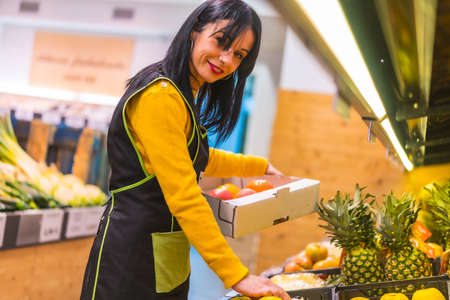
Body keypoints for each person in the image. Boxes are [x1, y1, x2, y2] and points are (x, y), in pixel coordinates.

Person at [80, 1, 290, 299]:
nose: (227, 59)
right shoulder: (159, 97)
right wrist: (237, 276)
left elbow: (196, 158)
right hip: (131, 259)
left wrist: (257, 166)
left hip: (164, 253)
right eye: (221, 42)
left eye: (239, 55)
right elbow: (184, 195)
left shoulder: (183, 94)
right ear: (195, 30)